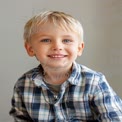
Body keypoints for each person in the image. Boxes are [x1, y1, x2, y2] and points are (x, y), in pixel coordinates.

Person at [9, 10, 122, 122]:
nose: (57, 46)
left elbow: (114, 118)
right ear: (30, 49)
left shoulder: (94, 82)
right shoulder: (23, 85)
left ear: (79, 48)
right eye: (46, 40)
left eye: (66, 40)